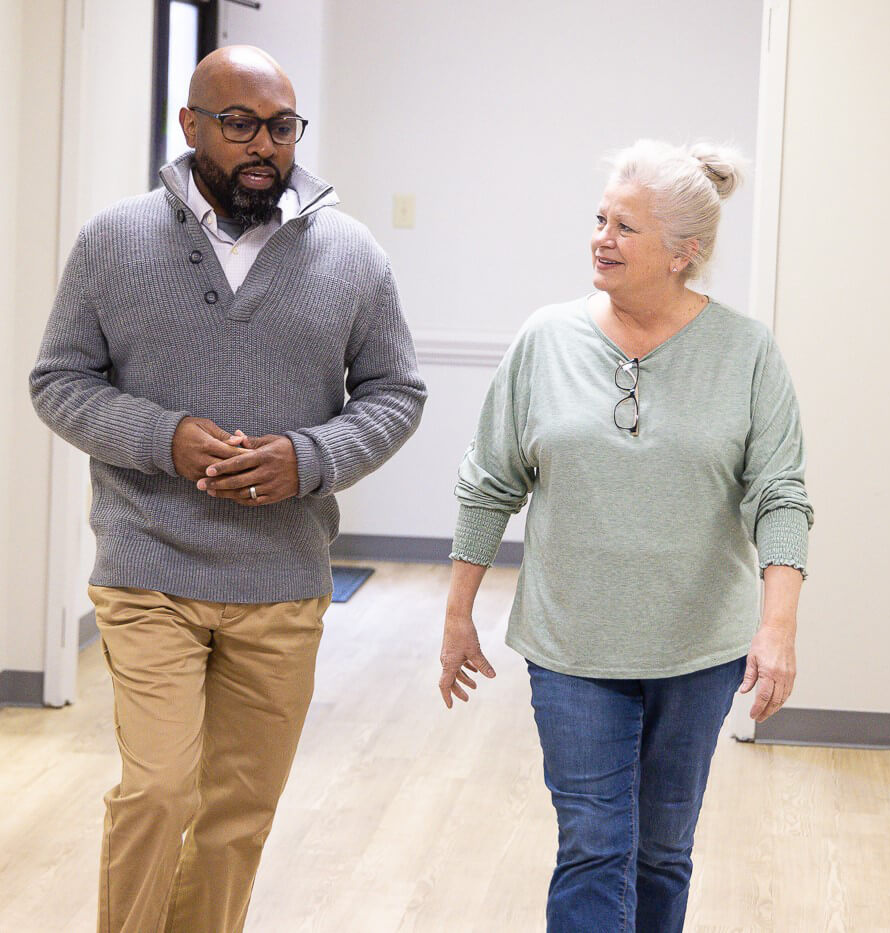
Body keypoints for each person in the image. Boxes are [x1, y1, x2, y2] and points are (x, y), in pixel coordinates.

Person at [30, 46, 426, 933]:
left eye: (281, 127)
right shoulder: (113, 241)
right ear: (191, 126)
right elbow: (59, 380)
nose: (265, 147)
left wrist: (310, 456)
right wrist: (161, 436)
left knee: (235, 817)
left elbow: (396, 392)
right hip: (148, 564)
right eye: (240, 124)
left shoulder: (353, 256)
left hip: (281, 578)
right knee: (159, 788)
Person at [438, 138, 813, 931]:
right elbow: (488, 480)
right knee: (593, 845)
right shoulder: (545, 339)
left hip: (698, 648)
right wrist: (456, 612)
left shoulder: (745, 352)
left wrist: (776, 627)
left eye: (625, 227)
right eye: (600, 218)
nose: (600, 239)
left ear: (686, 253)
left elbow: (778, 495)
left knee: (661, 851)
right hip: (572, 645)